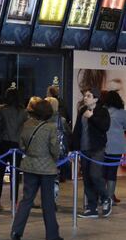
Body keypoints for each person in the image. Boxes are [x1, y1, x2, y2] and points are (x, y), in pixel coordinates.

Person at [11, 99, 63, 240]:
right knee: (48, 202)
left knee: (26, 200)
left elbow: (21, 145)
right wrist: (55, 157)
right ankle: (52, 234)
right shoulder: (51, 127)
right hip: (47, 168)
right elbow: (55, 149)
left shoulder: (26, 125)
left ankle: (16, 231)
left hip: (29, 166)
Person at [72, 87, 112, 218]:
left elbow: (105, 127)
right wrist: (73, 149)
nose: (85, 98)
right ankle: (91, 207)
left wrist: (93, 117)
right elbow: (77, 130)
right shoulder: (82, 111)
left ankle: (106, 198)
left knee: (95, 175)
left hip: (97, 149)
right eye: (85, 95)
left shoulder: (102, 111)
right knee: (87, 179)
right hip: (84, 150)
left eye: (88, 96)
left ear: (95, 98)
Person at [0, 88, 28, 211]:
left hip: (3, 144)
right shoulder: (24, 112)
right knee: (14, 175)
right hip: (17, 145)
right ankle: (14, 202)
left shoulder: (2, 110)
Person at [44, 97, 71, 206]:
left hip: (45, 151)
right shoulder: (62, 120)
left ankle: (47, 199)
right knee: (55, 177)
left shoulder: (42, 119)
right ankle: (52, 201)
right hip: (58, 152)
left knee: (47, 177)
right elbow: (69, 134)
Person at [102, 91, 126, 204]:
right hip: (116, 146)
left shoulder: (102, 111)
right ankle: (110, 198)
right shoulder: (122, 113)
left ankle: (101, 196)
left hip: (102, 145)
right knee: (112, 173)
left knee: (102, 173)